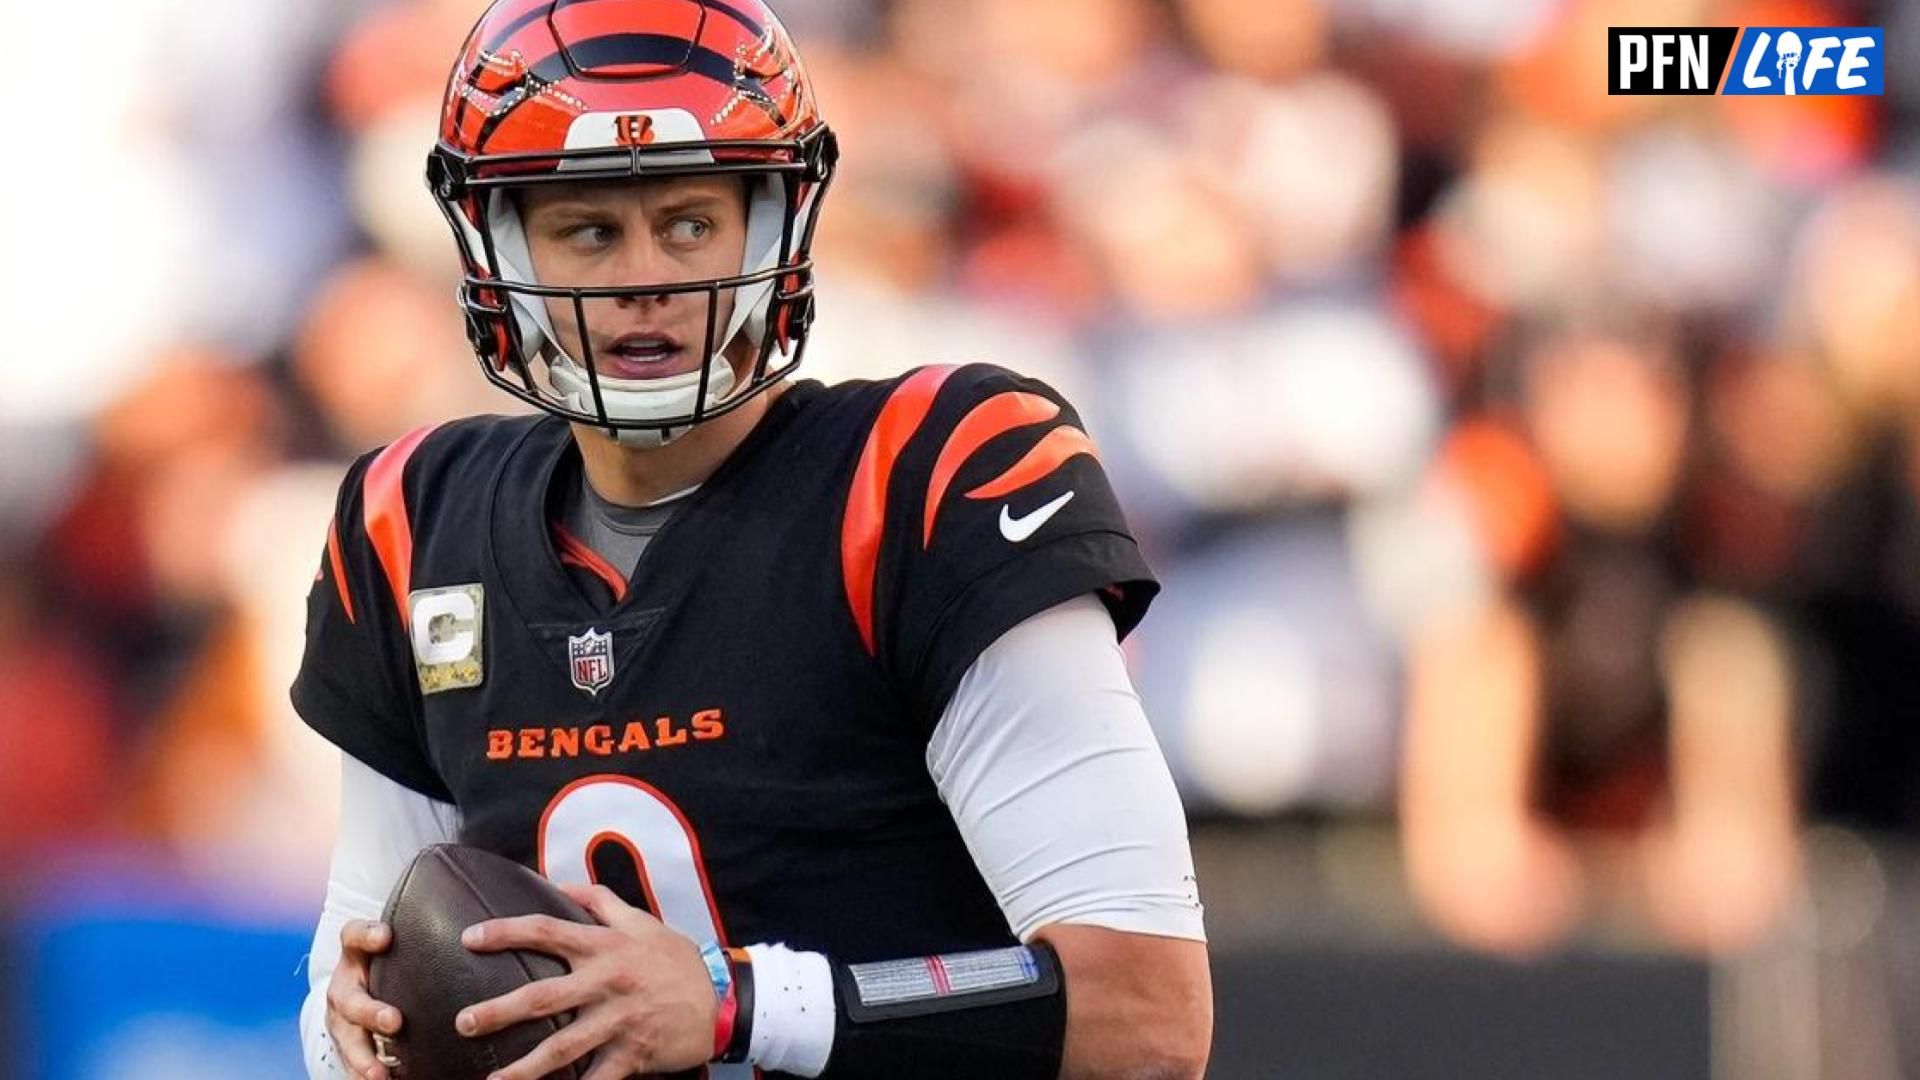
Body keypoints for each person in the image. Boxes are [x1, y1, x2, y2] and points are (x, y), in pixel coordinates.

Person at [295, 2, 1211, 1078]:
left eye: (688, 223)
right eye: (589, 229)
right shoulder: (413, 521)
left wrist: (738, 1003)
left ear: (769, 226)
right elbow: (340, 1000)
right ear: (500, 244)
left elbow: (1147, 1014)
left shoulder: (922, 478)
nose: (644, 275)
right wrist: (361, 1028)